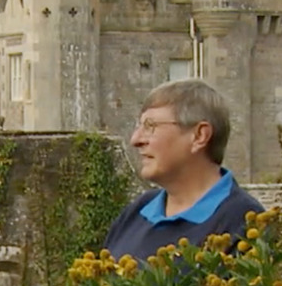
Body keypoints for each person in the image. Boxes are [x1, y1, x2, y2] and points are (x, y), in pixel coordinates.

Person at [103, 78, 264, 260]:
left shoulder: (243, 223)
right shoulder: (136, 213)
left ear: (199, 136)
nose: (135, 139)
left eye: (150, 126)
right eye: (139, 126)